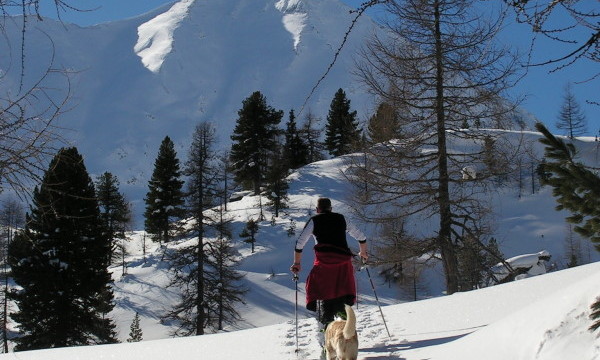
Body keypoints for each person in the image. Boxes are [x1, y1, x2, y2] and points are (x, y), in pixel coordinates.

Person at [290, 197, 368, 325]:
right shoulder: (342, 218)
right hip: (343, 262)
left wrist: (297, 263)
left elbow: (299, 244)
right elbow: (361, 237)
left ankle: (326, 320)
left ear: (317, 209)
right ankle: (343, 312)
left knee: (319, 288)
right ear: (331, 209)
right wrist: (363, 253)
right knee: (342, 287)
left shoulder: (314, 220)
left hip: (323, 262)